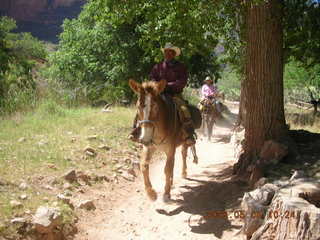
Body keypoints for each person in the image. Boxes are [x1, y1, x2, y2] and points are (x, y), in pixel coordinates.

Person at [129, 43, 196, 146]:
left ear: (174, 54)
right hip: (157, 93)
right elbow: (152, 79)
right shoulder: (158, 66)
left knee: (184, 109)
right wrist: (156, 87)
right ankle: (136, 130)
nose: (167, 54)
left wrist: (166, 86)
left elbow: (182, 82)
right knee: (144, 107)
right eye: (166, 52)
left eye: (170, 52)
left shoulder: (181, 67)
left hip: (175, 94)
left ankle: (188, 134)